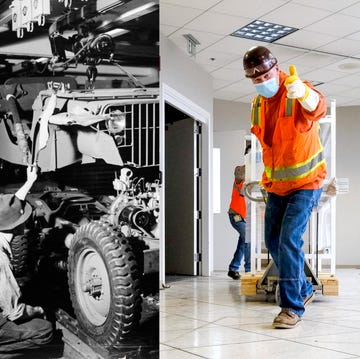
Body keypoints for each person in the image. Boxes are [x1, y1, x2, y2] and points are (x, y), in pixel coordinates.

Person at [243, 45, 327, 329]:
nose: (260, 82)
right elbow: (269, 147)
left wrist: (305, 94)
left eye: (264, 75)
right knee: (274, 243)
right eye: (254, 79)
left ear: (275, 69)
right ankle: (303, 289)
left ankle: (292, 308)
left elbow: (318, 106)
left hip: (306, 183)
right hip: (276, 186)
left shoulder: (296, 89)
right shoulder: (257, 104)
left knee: (289, 239)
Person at [0, 165, 53, 357]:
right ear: (16, 227)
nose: (26, 222)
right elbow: (14, 312)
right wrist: (38, 309)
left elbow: (11, 206)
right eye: (23, 220)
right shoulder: (1, 260)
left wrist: (30, 180)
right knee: (45, 331)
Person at [227, 165, 250, 280]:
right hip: (235, 215)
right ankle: (249, 271)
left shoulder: (249, 180)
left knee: (243, 242)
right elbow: (239, 172)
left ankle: (233, 269)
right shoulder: (240, 172)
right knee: (248, 239)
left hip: (242, 217)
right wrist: (250, 162)